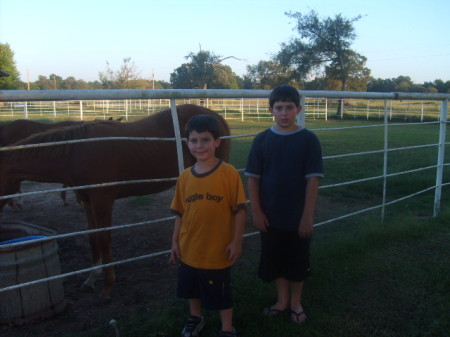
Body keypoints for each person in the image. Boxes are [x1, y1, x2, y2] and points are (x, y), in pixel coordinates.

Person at [245, 85, 324, 324]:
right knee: (275, 259)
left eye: (289, 107)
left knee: (297, 260)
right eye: (279, 108)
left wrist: (307, 216)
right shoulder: (261, 140)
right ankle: (282, 300)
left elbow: (313, 180)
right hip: (270, 216)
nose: (284, 113)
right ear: (271, 110)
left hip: (297, 216)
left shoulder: (309, 140)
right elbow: (253, 178)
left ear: (298, 109)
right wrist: (257, 210)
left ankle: (296, 302)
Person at [169, 115, 247, 337]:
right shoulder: (184, 177)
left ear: (217, 142)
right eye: (194, 140)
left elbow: (240, 210)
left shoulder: (228, 173)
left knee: (220, 293)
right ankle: (196, 318)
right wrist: (174, 242)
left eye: (205, 140)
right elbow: (179, 213)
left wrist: (236, 241)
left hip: (217, 250)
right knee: (191, 289)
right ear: (187, 144)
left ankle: (227, 328)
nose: (199, 146)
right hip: (189, 249)